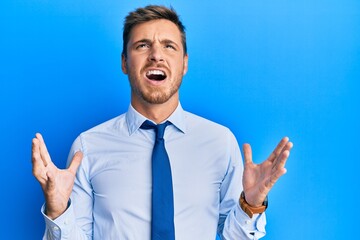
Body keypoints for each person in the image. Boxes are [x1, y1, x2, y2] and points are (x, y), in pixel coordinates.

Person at [32, 5, 293, 240]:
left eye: (169, 46)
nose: (156, 55)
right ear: (124, 62)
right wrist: (57, 210)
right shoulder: (87, 147)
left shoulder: (220, 142)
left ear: (184, 64)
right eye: (142, 45)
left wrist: (251, 204)